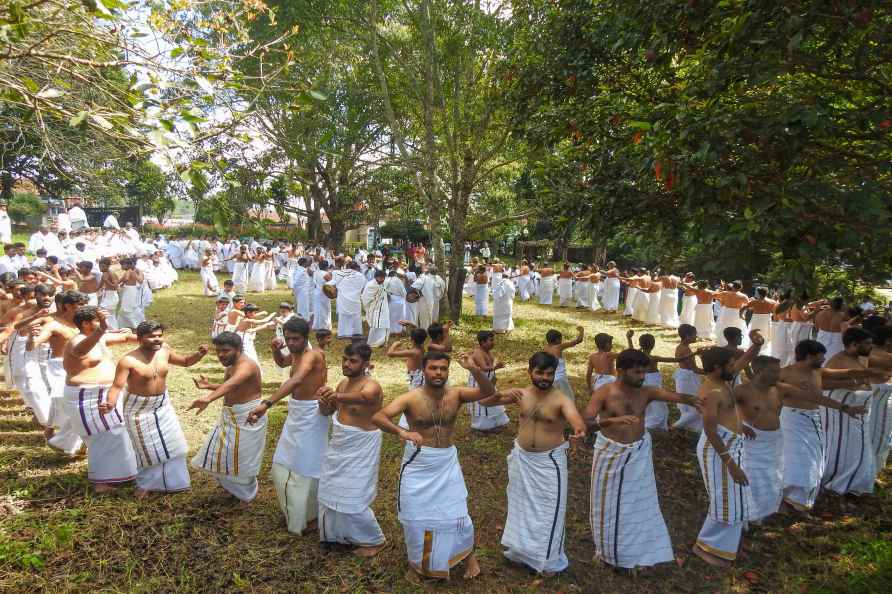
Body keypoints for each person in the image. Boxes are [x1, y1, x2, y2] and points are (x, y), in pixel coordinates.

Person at [372, 351, 496, 580]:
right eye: (433, 368)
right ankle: (417, 564)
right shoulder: (411, 397)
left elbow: (489, 392)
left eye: (443, 368)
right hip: (418, 463)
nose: (438, 372)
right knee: (414, 515)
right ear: (423, 369)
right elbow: (379, 416)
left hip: (446, 461)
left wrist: (475, 369)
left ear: (448, 370)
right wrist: (403, 431)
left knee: (457, 513)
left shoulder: (456, 394)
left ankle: (469, 558)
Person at [584, 349, 699, 569]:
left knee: (638, 502)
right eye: (637, 372)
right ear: (621, 371)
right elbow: (584, 423)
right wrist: (611, 421)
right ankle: (607, 552)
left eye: (644, 372)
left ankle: (636, 550)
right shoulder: (604, 393)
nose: (642, 377)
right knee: (607, 505)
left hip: (638, 455)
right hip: (610, 455)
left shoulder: (647, 392)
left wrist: (697, 401)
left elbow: (678, 397)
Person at [484, 352, 586, 574]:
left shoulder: (561, 399)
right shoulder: (522, 394)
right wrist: (500, 393)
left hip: (549, 462)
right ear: (529, 371)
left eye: (549, 374)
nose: (545, 377)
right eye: (540, 372)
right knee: (521, 506)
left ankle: (547, 561)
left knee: (550, 510)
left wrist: (579, 433)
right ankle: (521, 552)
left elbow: (576, 421)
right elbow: (484, 401)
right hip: (523, 460)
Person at [101, 321, 207, 497]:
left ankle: (176, 482)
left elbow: (186, 362)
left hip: (162, 405)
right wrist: (110, 403)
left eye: (159, 335)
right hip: (138, 409)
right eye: (151, 336)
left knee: (174, 443)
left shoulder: (164, 350)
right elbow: (116, 386)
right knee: (146, 449)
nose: (157, 339)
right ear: (140, 338)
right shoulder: (128, 360)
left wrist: (199, 354)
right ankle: (146, 484)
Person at [248, 317, 329, 533]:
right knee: (286, 462)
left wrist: (266, 404)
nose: (291, 343)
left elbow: (296, 380)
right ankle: (300, 512)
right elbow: (284, 363)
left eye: (296, 339)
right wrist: (275, 350)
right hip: (297, 413)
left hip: (312, 415)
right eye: (288, 339)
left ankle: (312, 514)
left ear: (306, 337)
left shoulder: (312, 355)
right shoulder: (298, 353)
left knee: (307, 465)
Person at [692, 331, 763, 567]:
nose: (736, 367)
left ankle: (725, 547)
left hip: (731, 446)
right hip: (719, 451)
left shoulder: (724, 381)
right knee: (725, 498)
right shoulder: (710, 391)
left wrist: (756, 345)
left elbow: (746, 359)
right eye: (731, 364)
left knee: (735, 496)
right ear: (716, 368)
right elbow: (711, 430)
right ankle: (705, 546)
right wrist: (730, 464)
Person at [779, 339, 875, 511]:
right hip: (792, 421)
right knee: (799, 459)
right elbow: (761, 386)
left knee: (816, 459)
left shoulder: (818, 371)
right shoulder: (785, 373)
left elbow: (845, 373)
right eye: (821, 356)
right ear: (809, 356)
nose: (824, 359)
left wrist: (868, 373)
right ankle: (790, 498)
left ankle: (800, 500)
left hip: (813, 420)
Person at [316, 342, 387, 556]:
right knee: (331, 487)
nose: (347, 364)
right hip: (339, 446)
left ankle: (374, 540)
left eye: (353, 361)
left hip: (361, 447)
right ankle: (339, 534)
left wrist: (334, 396)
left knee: (353, 494)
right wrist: (324, 402)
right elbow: (330, 411)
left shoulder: (371, 386)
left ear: (366, 364)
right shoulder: (342, 384)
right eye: (345, 359)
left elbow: (365, 398)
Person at [63, 306, 139, 492]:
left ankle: (120, 473)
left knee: (117, 432)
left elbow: (125, 337)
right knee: (101, 435)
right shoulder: (77, 341)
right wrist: (102, 329)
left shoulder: (100, 337)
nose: (103, 324)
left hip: (107, 392)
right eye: (98, 321)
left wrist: (151, 338)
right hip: (86, 396)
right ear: (86, 323)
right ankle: (101, 482)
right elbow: (81, 351)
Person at [188, 331, 267, 503]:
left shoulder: (246, 365)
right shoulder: (232, 364)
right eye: (218, 351)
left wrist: (208, 398)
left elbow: (233, 383)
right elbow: (231, 386)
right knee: (221, 454)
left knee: (241, 459)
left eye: (225, 351)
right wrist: (210, 386)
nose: (221, 355)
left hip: (247, 417)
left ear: (238, 349)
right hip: (229, 418)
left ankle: (245, 496)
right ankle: (236, 492)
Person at [821, 327, 883, 495]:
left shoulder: (859, 358)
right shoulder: (838, 361)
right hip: (844, 413)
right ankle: (841, 482)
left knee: (858, 447)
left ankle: (857, 482)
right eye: (868, 344)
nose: (871, 346)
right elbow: (821, 383)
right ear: (854, 344)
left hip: (858, 413)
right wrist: (847, 385)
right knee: (846, 447)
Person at [28, 289, 87, 455]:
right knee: (63, 401)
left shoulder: (84, 322)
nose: (84, 308)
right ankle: (55, 435)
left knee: (76, 403)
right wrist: (33, 338)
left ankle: (69, 440)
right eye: (80, 305)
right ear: (68, 306)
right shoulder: (54, 324)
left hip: (83, 366)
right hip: (59, 367)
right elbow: (34, 344)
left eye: (85, 305)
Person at [626, 329, 693, 431]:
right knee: (659, 406)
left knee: (647, 403)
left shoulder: (637, 356)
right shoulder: (653, 358)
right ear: (653, 345)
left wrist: (629, 338)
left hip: (643, 382)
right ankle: (652, 423)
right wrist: (695, 353)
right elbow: (677, 360)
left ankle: (645, 420)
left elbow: (631, 350)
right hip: (653, 383)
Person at [467, 330, 509, 432]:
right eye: (491, 340)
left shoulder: (488, 351)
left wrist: (495, 364)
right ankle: (482, 427)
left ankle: (495, 423)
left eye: (493, 339)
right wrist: (496, 366)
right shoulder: (478, 353)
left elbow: (490, 364)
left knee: (493, 399)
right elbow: (485, 368)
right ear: (482, 342)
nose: (493, 342)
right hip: (479, 383)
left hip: (489, 381)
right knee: (482, 403)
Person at [673, 324, 704, 431]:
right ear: (687, 336)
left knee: (688, 405)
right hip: (688, 379)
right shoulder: (685, 350)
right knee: (697, 405)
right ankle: (676, 426)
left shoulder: (680, 347)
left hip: (683, 376)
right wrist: (711, 372)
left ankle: (689, 425)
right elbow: (694, 369)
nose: (696, 337)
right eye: (694, 335)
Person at [543, 326, 584, 401]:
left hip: (550, 376)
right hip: (560, 378)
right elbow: (578, 340)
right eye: (560, 339)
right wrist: (581, 331)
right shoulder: (559, 347)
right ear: (557, 340)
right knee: (567, 398)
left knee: (552, 397)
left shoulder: (545, 348)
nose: (561, 341)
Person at [332, 262, 366, 338]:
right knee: (356, 317)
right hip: (355, 300)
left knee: (343, 317)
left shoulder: (339, 274)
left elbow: (332, 284)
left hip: (343, 299)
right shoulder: (360, 276)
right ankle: (356, 333)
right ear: (356, 268)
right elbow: (363, 288)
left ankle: (343, 333)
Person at [362, 268, 390, 347]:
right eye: (381, 277)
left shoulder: (382, 284)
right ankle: (373, 342)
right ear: (376, 277)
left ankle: (383, 341)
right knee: (376, 325)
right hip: (375, 308)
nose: (383, 279)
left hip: (384, 308)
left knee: (384, 324)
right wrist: (368, 307)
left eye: (384, 277)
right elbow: (365, 297)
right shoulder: (371, 285)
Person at [815, 297, 846, 362]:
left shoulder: (820, 313)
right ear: (841, 305)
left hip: (822, 335)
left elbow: (816, 328)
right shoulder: (843, 316)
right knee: (834, 359)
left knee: (821, 357)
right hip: (837, 337)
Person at [491, 264, 515, 333]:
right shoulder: (511, 283)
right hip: (509, 302)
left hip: (502, 303)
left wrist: (494, 296)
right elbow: (513, 294)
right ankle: (508, 328)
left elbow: (498, 294)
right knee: (507, 316)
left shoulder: (502, 283)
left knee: (500, 316)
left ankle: (500, 329)